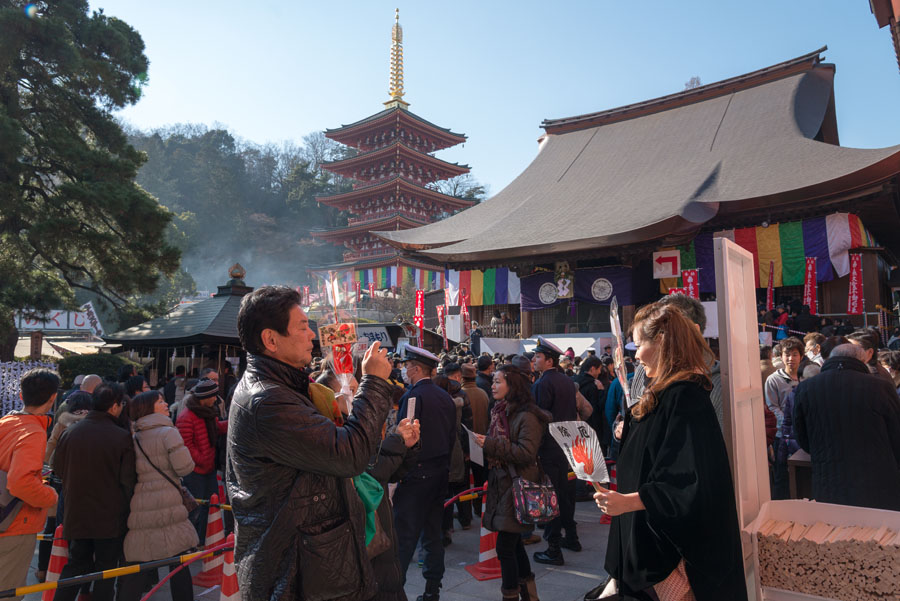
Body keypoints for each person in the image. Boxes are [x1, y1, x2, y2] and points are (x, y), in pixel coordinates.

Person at [227, 286, 395, 601]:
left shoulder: (287, 388)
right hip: (297, 574)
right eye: (302, 327)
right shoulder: (268, 401)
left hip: (314, 565)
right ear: (270, 339)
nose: (312, 336)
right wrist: (373, 383)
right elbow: (349, 455)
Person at [594, 302, 747, 601]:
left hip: (672, 552)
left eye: (639, 345)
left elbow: (688, 480)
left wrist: (629, 502)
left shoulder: (685, 396)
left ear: (662, 341)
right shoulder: (665, 390)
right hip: (646, 541)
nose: (635, 355)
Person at [53, 383, 136, 601]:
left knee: (75, 566)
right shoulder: (121, 437)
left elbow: (58, 469)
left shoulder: (70, 432)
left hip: (76, 512)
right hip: (109, 517)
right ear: (115, 406)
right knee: (106, 570)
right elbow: (128, 481)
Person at [472, 364, 549, 601]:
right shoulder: (499, 411)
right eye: (493, 381)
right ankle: (529, 593)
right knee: (513, 545)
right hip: (502, 484)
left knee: (505, 547)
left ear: (512, 385)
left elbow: (526, 452)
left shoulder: (527, 416)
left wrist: (489, 444)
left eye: (498, 382)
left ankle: (511, 595)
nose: (492, 386)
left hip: (518, 486)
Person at [793, 343, 900, 510]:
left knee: (835, 532)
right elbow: (896, 434)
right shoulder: (881, 388)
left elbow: (802, 436)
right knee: (877, 533)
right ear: (862, 360)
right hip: (877, 482)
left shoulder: (806, 388)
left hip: (828, 479)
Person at [120, 391, 198, 601]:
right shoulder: (168, 432)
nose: (165, 404)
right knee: (179, 562)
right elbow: (185, 467)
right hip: (169, 501)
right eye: (160, 401)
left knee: (139, 559)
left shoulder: (134, 436)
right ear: (149, 407)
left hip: (142, 501)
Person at [393, 346, 457, 601]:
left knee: (404, 537)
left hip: (417, 473)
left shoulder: (412, 398)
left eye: (407, 366)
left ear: (416, 368)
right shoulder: (444, 396)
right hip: (439, 471)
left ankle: (395, 591)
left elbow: (405, 439)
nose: (404, 370)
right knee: (432, 533)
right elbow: (452, 437)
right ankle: (432, 589)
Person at [0, 369, 60, 601]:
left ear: (22, 396)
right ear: (53, 398)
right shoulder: (33, 431)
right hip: (14, 523)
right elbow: (20, 483)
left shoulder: (6, 421)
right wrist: (50, 495)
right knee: (8, 593)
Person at [530, 337, 579, 565]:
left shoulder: (542, 384)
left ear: (549, 361)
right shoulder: (567, 381)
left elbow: (540, 419)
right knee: (565, 493)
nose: (534, 360)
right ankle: (572, 537)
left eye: (538, 357)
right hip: (566, 445)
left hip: (549, 447)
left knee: (551, 496)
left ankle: (553, 548)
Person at [176, 378, 226, 543]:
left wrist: (232, 421)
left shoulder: (208, 413)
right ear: (204, 397)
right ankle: (192, 542)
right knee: (196, 510)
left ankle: (204, 540)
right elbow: (185, 445)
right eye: (213, 396)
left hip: (208, 469)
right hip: (195, 471)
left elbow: (217, 428)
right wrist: (203, 459)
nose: (215, 399)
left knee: (210, 507)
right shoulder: (186, 416)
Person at [764, 337, 803, 499]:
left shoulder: (805, 377)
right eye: (787, 354)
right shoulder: (773, 380)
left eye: (795, 354)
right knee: (782, 474)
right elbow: (772, 406)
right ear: (781, 356)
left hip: (802, 435)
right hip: (782, 436)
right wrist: (790, 422)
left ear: (801, 356)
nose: (790, 359)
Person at [461, 363, 489, 517]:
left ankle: (466, 515)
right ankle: (479, 508)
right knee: (480, 479)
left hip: (466, 442)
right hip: (482, 441)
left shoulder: (461, 394)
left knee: (464, 481)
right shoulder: (483, 393)